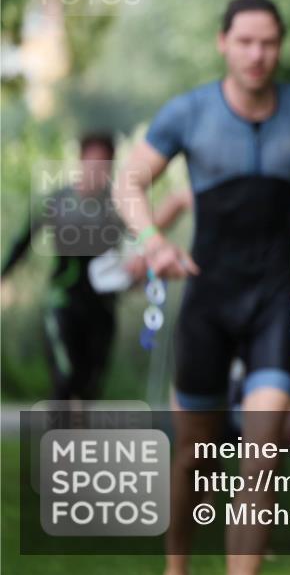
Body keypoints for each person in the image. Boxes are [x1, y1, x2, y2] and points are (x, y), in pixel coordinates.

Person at [113, 0, 290, 575]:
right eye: (245, 42)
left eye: (269, 42)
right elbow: (131, 181)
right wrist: (153, 243)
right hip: (209, 301)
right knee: (195, 456)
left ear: (280, 45)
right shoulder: (188, 113)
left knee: (261, 455)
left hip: (277, 299)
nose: (257, 54)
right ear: (223, 43)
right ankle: (178, 568)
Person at [1, 132, 188, 401]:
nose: (97, 170)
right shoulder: (56, 201)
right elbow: (23, 241)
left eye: (104, 164)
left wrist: (141, 272)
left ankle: (78, 442)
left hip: (103, 308)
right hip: (63, 303)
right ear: (81, 162)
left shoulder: (118, 207)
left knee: (91, 387)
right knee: (67, 380)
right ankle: (58, 441)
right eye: (93, 163)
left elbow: (139, 245)